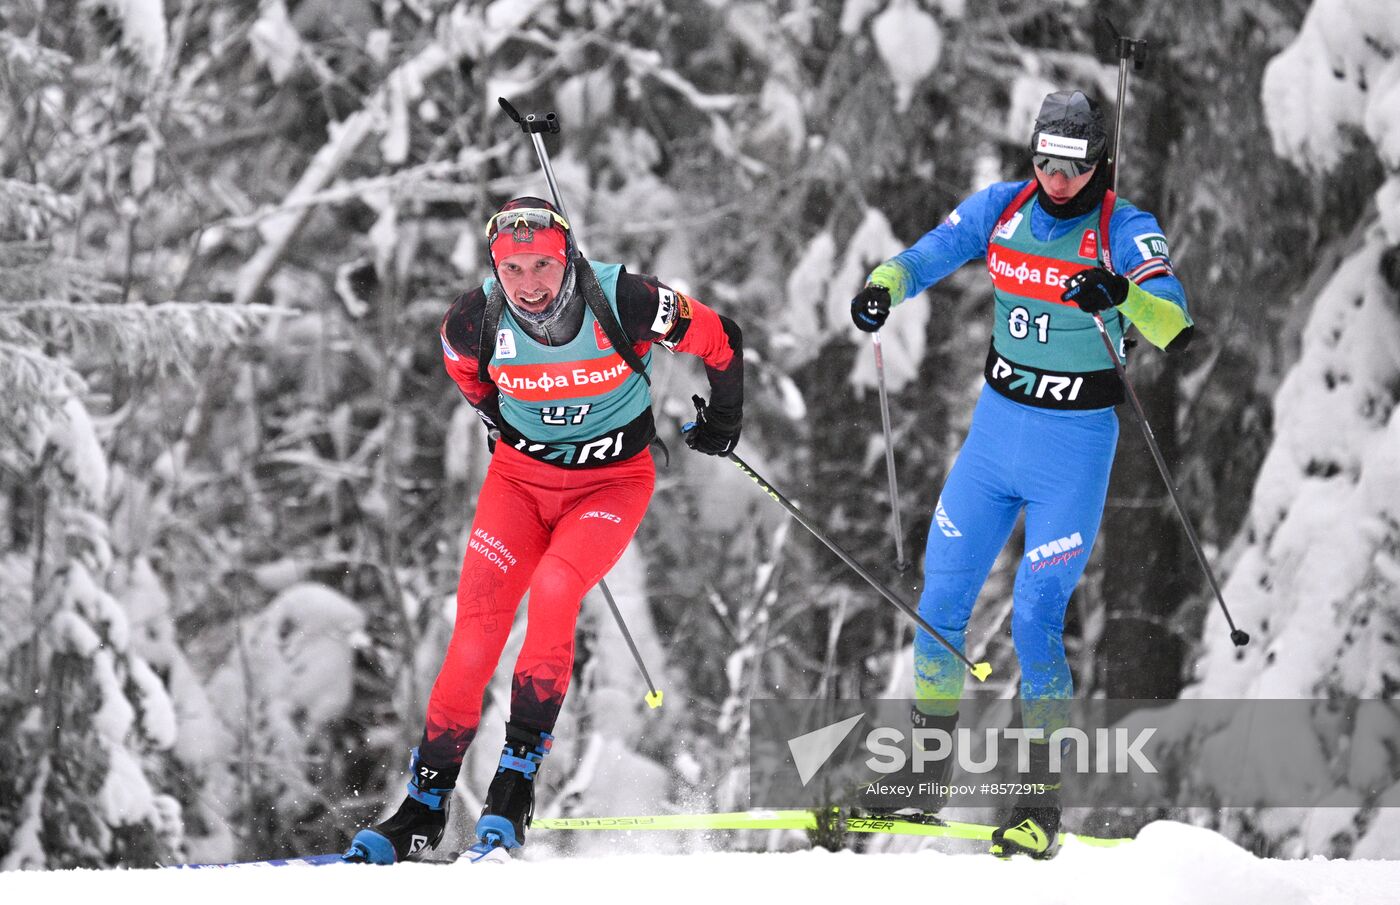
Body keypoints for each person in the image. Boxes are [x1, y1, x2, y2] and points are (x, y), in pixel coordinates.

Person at [345, 197, 744, 864]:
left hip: (611, 486)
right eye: (513, 269)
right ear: (495, 270)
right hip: (519, 486)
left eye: (542, 266)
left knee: (557, 589)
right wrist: (510, 425)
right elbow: (469, 378)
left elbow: (720, 338)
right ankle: (422, 806)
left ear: (568, 258)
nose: (529, 284)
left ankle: (514, 783)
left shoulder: (629, 300)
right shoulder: (473, 320)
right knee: (473, 635)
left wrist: (722, 423)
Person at [849, 90, 1193, 859]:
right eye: (1043, 161)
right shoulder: (1004, 207)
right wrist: (885, 285)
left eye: (1072, 167)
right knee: (940, 602)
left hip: (1072, 450)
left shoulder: (1124, 229)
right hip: (995, 438)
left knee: (1038, 619)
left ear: (1100, 162)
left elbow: (1175, 322)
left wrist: (1124, 293)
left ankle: (1037, 804)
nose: (1055, 179)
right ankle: (923, 782)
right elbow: (930, 252)